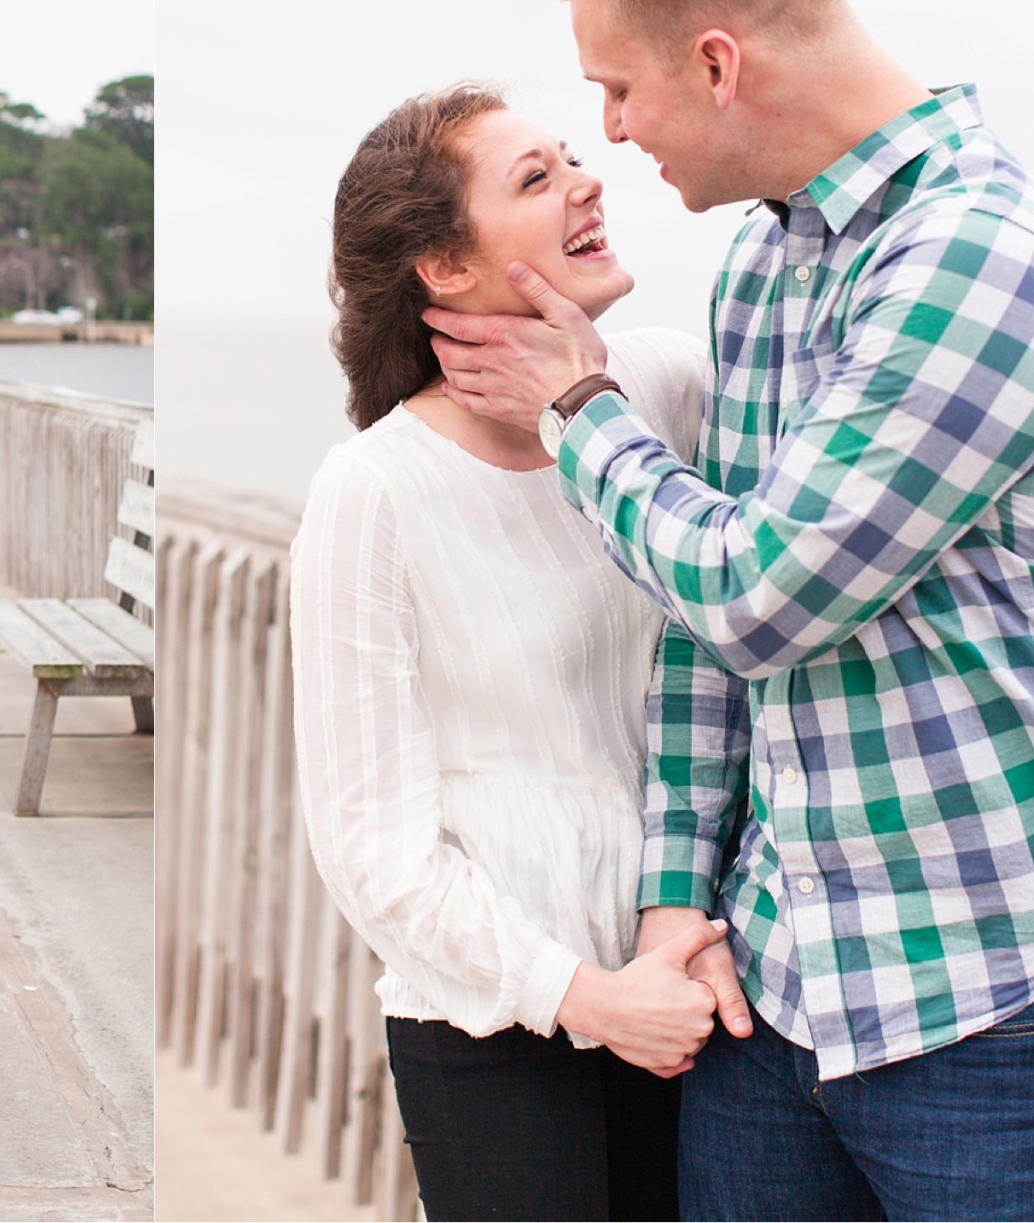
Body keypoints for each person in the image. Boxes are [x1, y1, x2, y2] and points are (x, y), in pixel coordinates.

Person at [424, 0, 1034, 1221]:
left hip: (1002, 994)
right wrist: (672, 903)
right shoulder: (768, 272)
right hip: (780, 980)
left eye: (623, 88)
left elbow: (763, 587)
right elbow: (705, 632)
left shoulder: (982, 256)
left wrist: (582, 415)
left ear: (716, 61)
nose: (613, 133)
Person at [291, 84, 717, 1222]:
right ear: (442, 265)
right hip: (494, 1020)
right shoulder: (373, 491)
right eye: (534, 178)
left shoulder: (668, 385)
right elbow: (369, 846)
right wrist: (578, 996)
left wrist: (662, 965)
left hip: (695, 976)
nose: (587, 181)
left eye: (572, 159)